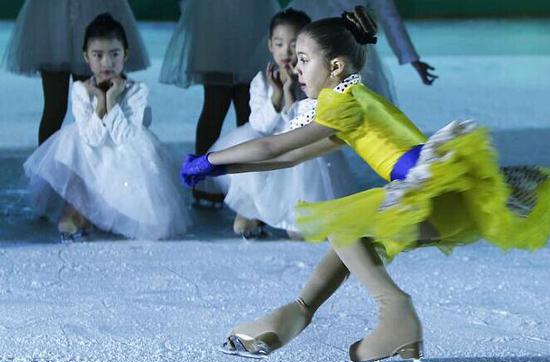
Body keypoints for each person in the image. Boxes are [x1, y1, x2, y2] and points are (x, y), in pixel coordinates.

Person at [180, 7, 550, 362]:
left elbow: (273, 147)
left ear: (336, 67)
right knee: (354, 245)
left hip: (432, 194)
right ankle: (292, 317)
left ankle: (397, 315)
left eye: (305, 59)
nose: (296, 67)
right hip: (442, 199)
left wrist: (210, 159)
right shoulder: (349, 102)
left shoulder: (345, 104)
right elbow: (287, 159)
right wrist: (221, 167)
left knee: (345, 229)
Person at [24, 13, 190, 242]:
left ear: (126, 54)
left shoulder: (137, 90)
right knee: (73, 142)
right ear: (86, 57)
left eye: (114, 54)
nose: (107, 63)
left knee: (153, 222)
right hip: (92, 150)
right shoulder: (81, 90)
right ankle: (78, 209)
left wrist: (111, 99)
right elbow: (92, 137)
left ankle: (114, 212)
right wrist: (100, 102)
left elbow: (125, 136)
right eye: (98, 55)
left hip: (125, 155)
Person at [199, 8, 358, 238]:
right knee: (242, 223)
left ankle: (294, 217)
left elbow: (306, 126)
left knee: (301, 233)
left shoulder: (316, 79)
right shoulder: (261, 81)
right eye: (279, 43)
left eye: (294, 45)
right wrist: (276, 95)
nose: (286, 51)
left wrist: (291, 92)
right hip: (271, 143)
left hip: (301, 145)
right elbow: (259, 125)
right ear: (270, 46)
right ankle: (252, 209)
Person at [159, 0, 280, 203]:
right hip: (215, 16)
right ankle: (203, 181)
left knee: (248, 108)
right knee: (216, 105)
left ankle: (250, 185)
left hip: (250, 14)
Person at [2, 0, 149, 145]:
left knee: (95, 101)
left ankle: (99, 160)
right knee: (56, 106)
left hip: (83, 10)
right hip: (53, 14)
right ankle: (46, 166)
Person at [287, 0, 437, 102]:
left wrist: (411, 57)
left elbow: (388, 15)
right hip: (317, 47)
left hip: (348, 48)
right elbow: (388, 16)